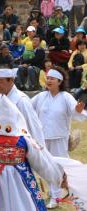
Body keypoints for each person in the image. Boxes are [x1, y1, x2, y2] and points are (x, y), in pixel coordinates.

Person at [31, 68, 87, 208]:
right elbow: (26, 107)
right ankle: (55, 193)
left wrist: (78, 110)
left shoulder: (66, 97)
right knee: (45, 167)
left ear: (59, 82)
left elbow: (76, 112)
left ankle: (57, 195)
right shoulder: (41, 96)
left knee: (58, 167)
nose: (48, 80)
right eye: (48, 78)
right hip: (42, 138)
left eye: (52, 79)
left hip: (59, 138)